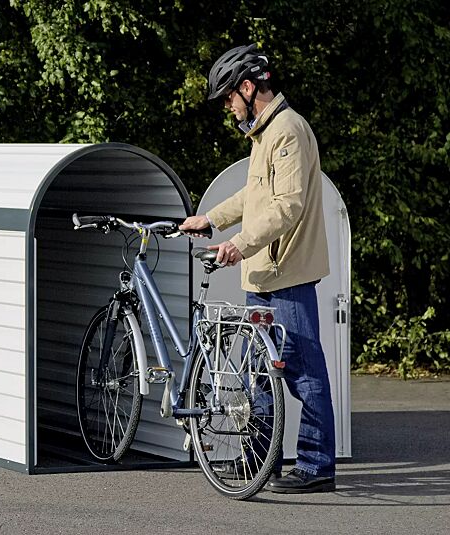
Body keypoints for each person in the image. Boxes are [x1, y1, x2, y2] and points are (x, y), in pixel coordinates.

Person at [180, 44, 336, 494]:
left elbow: (287, 207)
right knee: (259, 375)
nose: (228, 107)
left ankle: (316, 465)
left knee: (304, 373)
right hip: (263, 275)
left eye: (229, 97)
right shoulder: (263, 135)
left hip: (286, 274)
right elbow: (252, 198)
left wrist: (238, 245)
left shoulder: (288, 131)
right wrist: (210, 219)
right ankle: (258, 461)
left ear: (249, 87)